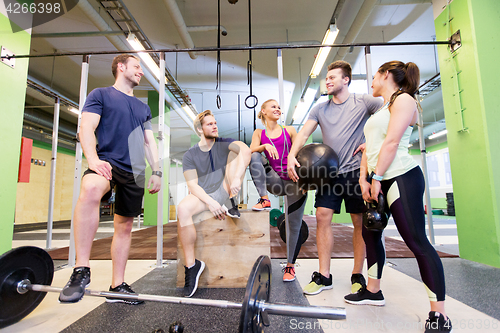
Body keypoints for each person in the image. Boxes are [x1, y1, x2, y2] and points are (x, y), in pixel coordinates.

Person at [343, 61, 452, 332]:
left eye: (374, 76)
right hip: (378, 177)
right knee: (371, 234)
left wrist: (377, 178)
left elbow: (392, 143)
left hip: (401, 176)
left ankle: (439, 315)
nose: (371, 81)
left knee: (416, 241)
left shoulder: (404, 100)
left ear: (386, 75)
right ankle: (373, 290)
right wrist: (363, 178)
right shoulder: (383, 107)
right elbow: (370, 147)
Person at [59, 54, 161, 305]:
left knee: (124, 227)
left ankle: (117, 286)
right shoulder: (100, 94)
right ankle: (81, 269)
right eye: (137, 67)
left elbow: (150, 142)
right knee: (91, 187)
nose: (141, 72)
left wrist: (156, 171)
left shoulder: (143, 107)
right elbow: (87, 128)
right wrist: (92, 159)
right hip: (106, 162)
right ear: (121, 67)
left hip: (134, 170)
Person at [287, 60, 384, 296]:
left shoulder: (363, 101)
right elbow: (304, 133)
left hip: (355, 173)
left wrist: (371, 140)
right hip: (328, 174)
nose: (328, 81)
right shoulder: (320, 108)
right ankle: (324, 275)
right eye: (326, 78)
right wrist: (291, 155)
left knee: (359, 222)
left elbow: (388, 113)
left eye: (332, 77)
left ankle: (357, 274)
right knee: (322, 216)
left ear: (346, 79)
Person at [178, 110, 251, 297]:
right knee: (183, 208)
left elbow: (245, 150)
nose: (215, 126)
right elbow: (192, 185)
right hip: (205, 195)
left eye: (215, 122)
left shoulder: (223, 143)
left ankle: (231, 202)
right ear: (199, 129)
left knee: (236, 153)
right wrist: (210, 203)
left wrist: (237, 179)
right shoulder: (190, 155)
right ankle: (192, 267)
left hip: (225, 188)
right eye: (210, 124)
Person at [249, 99, 308, 282]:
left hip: (294, 181)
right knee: (253, 155)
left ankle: (290, 267)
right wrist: (264, 146)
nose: (277, 109)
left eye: (279, 107)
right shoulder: (259, 133)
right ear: (264, 111)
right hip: (273, 180)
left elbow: (301, 153)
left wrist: (306, 181)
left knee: (294, 225)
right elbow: (251, 150)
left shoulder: (289, 130)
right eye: (273, 106)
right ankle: (264, 199)